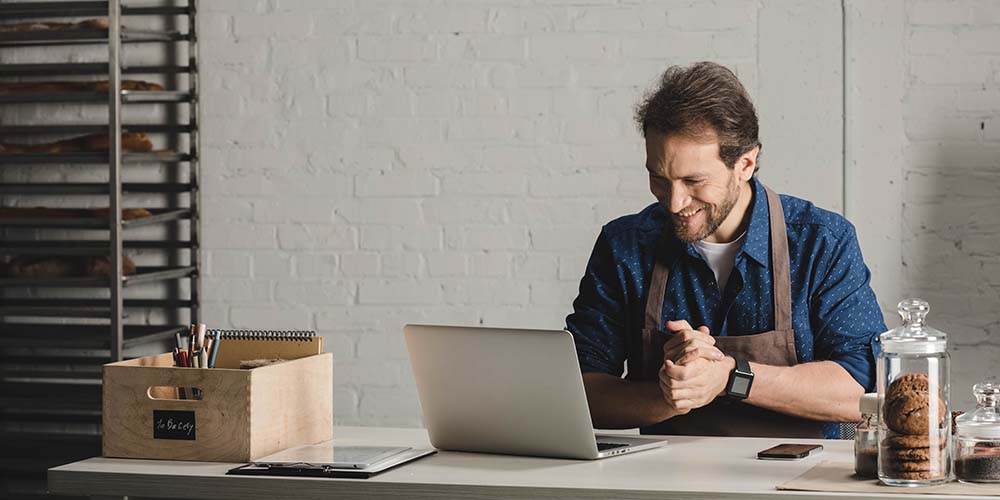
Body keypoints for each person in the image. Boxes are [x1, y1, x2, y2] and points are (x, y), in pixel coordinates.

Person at [565, 61, 886, 438]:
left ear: (746, 163)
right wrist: (670, 397)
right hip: (665, 484)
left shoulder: (822, 243)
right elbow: (578, 390)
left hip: (801, 482)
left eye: (693, 180)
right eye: (659, 178)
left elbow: (863, 391)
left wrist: (730, 377)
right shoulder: (625, 246)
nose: (674, 202)